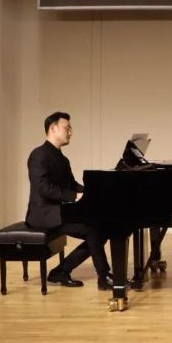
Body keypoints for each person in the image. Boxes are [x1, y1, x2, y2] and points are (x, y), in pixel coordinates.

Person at [25, 112, 113, 290]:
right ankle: (102, 277)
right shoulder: (38, 155)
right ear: (53, 128)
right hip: (43, 214)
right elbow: (43, 187)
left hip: (58, 212)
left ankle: (61, 271)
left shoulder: (63, 159)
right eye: (67, 128)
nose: (71, 132)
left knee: (100, 229)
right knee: (93, 229)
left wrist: (94, 192)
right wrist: (74, 196)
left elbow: (72, 185)